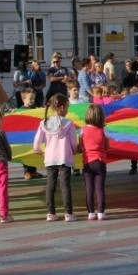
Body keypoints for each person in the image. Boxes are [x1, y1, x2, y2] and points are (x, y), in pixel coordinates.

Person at [33, 93, 79, 222]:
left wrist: (40, 151)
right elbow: (73, 143)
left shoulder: (44, 123)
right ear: (62, 107)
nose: (67, 110)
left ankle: (50, 213)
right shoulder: (68, 123)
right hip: (65, 158)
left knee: (50, 185)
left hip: (50, 158)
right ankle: (68, 213)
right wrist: (74, 151)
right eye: (67, 107)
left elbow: (36, 143)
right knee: (65, 186)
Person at [80, 102, 109, 221]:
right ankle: (101, 212)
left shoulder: (83, 130)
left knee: (89, 188)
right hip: (100, 161)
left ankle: (91, 212)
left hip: (87, 162)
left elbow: (80, 146)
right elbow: (107, 146)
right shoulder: (103, 130)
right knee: (100, 188)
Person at [18, 88, 43, 181]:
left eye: (33, 98)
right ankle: (27, 172)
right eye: (30, 99)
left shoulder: (34, 109)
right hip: (24, 137)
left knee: (33, 153)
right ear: (23, 99)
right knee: (26, 154)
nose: (33, 100)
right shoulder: (20, 110)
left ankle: (33, 171)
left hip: (33, 135)